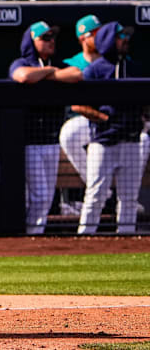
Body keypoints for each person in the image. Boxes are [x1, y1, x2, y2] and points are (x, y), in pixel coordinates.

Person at [10, 21, 83, 234]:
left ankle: (36, 233)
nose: (51, 41)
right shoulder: (21, 62)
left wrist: (47, 71)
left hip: (51, 141)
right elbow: (22, 76)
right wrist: (51, 73)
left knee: (47, 195)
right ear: (32, 41)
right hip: (29, 143)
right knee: (38, 195)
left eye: (52, 37)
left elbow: (76, 74)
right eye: (45, 38)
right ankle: (30, 234)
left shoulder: (56, 62)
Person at [75, 22, 144, 234]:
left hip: (131, 140)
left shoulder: (134, 67)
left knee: (129, 197)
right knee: (95, 194)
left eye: (126, 36)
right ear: (108, 40)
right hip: (103, 142)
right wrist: (103, 118)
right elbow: (78, 104)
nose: (125, 40)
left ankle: (126, 238)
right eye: (120, 36)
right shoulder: (94, 70)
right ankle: (84, 238)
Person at [59, 15, 102, 188]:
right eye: (95, 33)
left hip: (113, 120)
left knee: (143, 139)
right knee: (70, 134)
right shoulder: (71, 64)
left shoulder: (114, 61)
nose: (100, 37)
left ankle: (127, 198)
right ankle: (96, 187)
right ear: (83, 38)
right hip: (85, 120)